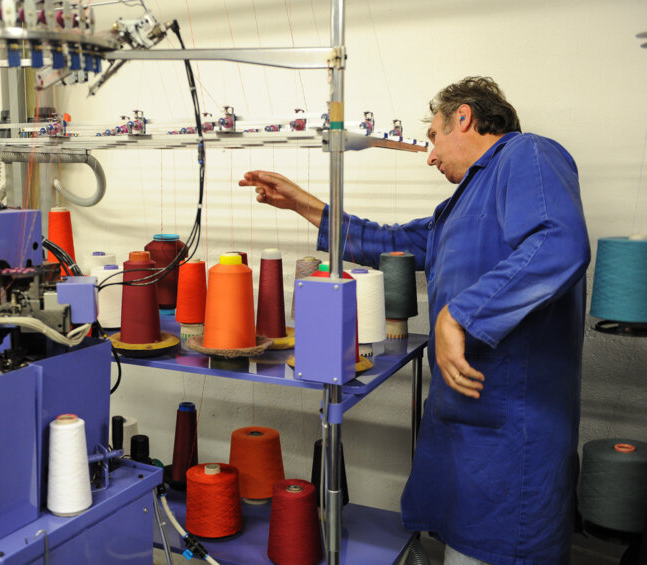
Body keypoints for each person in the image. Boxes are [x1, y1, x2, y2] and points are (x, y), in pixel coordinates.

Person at [240, 76, 590, 565]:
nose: (430, 156)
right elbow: (390, 243)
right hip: (470, 434)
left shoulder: (525, 154)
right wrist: (303, 203)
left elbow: (558, 241)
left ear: (463, 117)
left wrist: (458, 315)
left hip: (515, 443)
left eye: (432, 137)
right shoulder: (462, 207)